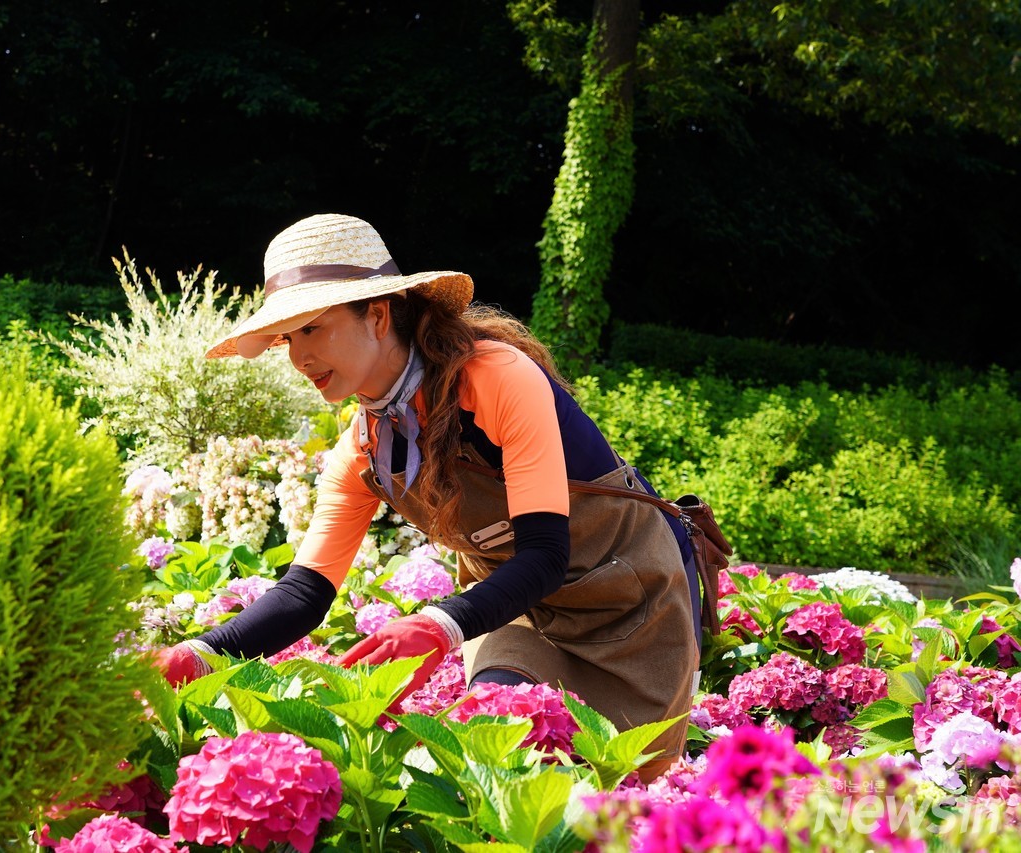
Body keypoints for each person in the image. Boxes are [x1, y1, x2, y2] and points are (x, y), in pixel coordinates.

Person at [153, 213, 702, 781]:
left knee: (623, 794)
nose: (298, 357)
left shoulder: (498, 378)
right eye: (288, 338)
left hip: (630, 608)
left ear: (378, 314)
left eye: (312, 328)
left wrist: (438, 625)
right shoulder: (363, 449)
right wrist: (199, 654)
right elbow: (305, 592)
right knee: (498, 740)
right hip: (517, 613)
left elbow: (544, 554)